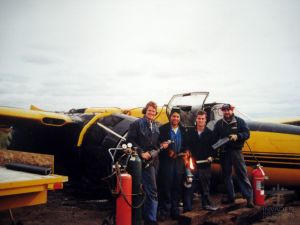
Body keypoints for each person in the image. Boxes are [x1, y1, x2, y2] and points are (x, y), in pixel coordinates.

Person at [213, 104, 254, 208]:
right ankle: (230, 197)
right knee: (226, 175)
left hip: (236, 152)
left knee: (242, 174)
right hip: (224, 152)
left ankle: (249, 198)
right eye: (224, 111)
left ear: (232, 110)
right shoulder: (219, 124)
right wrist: (216, 145)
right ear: (222, 111)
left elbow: (247, 133)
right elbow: (214, 137)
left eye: (228, 110)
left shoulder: (240, 121)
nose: (227, 112)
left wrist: (238, 136)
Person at [127, 101, 160, 225]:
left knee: (150, 190)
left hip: (153, 162)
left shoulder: (156, 125)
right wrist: (141, 152)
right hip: (139, 162)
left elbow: (156, 144)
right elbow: (129, 140)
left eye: (153, 111)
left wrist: (160, 147)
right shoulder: (136, 124)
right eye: (149, 110)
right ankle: (149, 220)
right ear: (145, 111)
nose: (151, 113)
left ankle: (147, 219)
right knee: (145, 190)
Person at [157, 107, 189, 221]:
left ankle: (174, 211)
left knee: (177, 186)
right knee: (166, 185)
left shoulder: (184, 130)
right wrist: (167, 151)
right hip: (167, 162)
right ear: (170, 117)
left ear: (179, 118)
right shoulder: (163, 129)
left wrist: (185, 152)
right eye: (173, 116)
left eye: (177, 116)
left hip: (179, 162)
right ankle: (164, 211)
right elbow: (159, 143)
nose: (175, 118)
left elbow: (186, 145)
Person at [183, 110, 218, 211]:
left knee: (205, 187)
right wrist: (187, 152)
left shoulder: (210, 134)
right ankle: (187, 208)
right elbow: (186, 146)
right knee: (190, 187)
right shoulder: (190, 133)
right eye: (199, 118)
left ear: (206, 120)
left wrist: (212, 156)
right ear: (196, 119)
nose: (201, 120)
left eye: (203, 119)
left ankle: (205, 205)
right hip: (192, 165)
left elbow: (214, 149)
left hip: (205, 165)